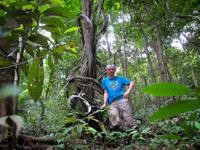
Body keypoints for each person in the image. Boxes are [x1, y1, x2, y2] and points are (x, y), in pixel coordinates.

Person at [100, 64, 136, 131]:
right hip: (112, 102)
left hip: (121, 99)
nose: (111, 70)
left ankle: (134, 132)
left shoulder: (120, 78)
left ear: (115, 70)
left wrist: (128, 91)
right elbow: (105, 92)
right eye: (109, 69)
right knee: (113, 117)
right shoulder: (105, 81)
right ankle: (117, 134)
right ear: (106, 71)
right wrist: (104, 103)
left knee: (128, 117)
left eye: (113, 69)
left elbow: (131, 82)